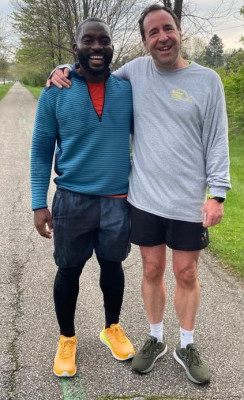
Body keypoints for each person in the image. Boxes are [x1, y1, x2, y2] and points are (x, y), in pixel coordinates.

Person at [48, 4, 231, 385]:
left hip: (186, 201)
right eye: (152, 32)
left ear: (179, 32)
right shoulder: (133, 74)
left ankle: (187, 344)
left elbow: (217, 140)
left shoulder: (208, 80)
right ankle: (155, 339)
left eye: (168, 28)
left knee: (185, 271)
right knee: (151, 269)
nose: (162, 37)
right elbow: (93, 65)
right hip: (144, 198)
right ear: (145, 42)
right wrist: (62, 69)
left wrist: (218, 194)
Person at [31, 17, 135, 378]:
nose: (96, 47)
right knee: (69, 270)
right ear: (75, 48)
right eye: (88, 41)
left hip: (117, 200)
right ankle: (67, 338)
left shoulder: (126, 88)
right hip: (72, 200)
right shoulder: (55, 89)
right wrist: (38, 202)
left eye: (103, 41)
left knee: (112, 266)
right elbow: (42, 149)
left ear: (111, 47)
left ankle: (111, 327)